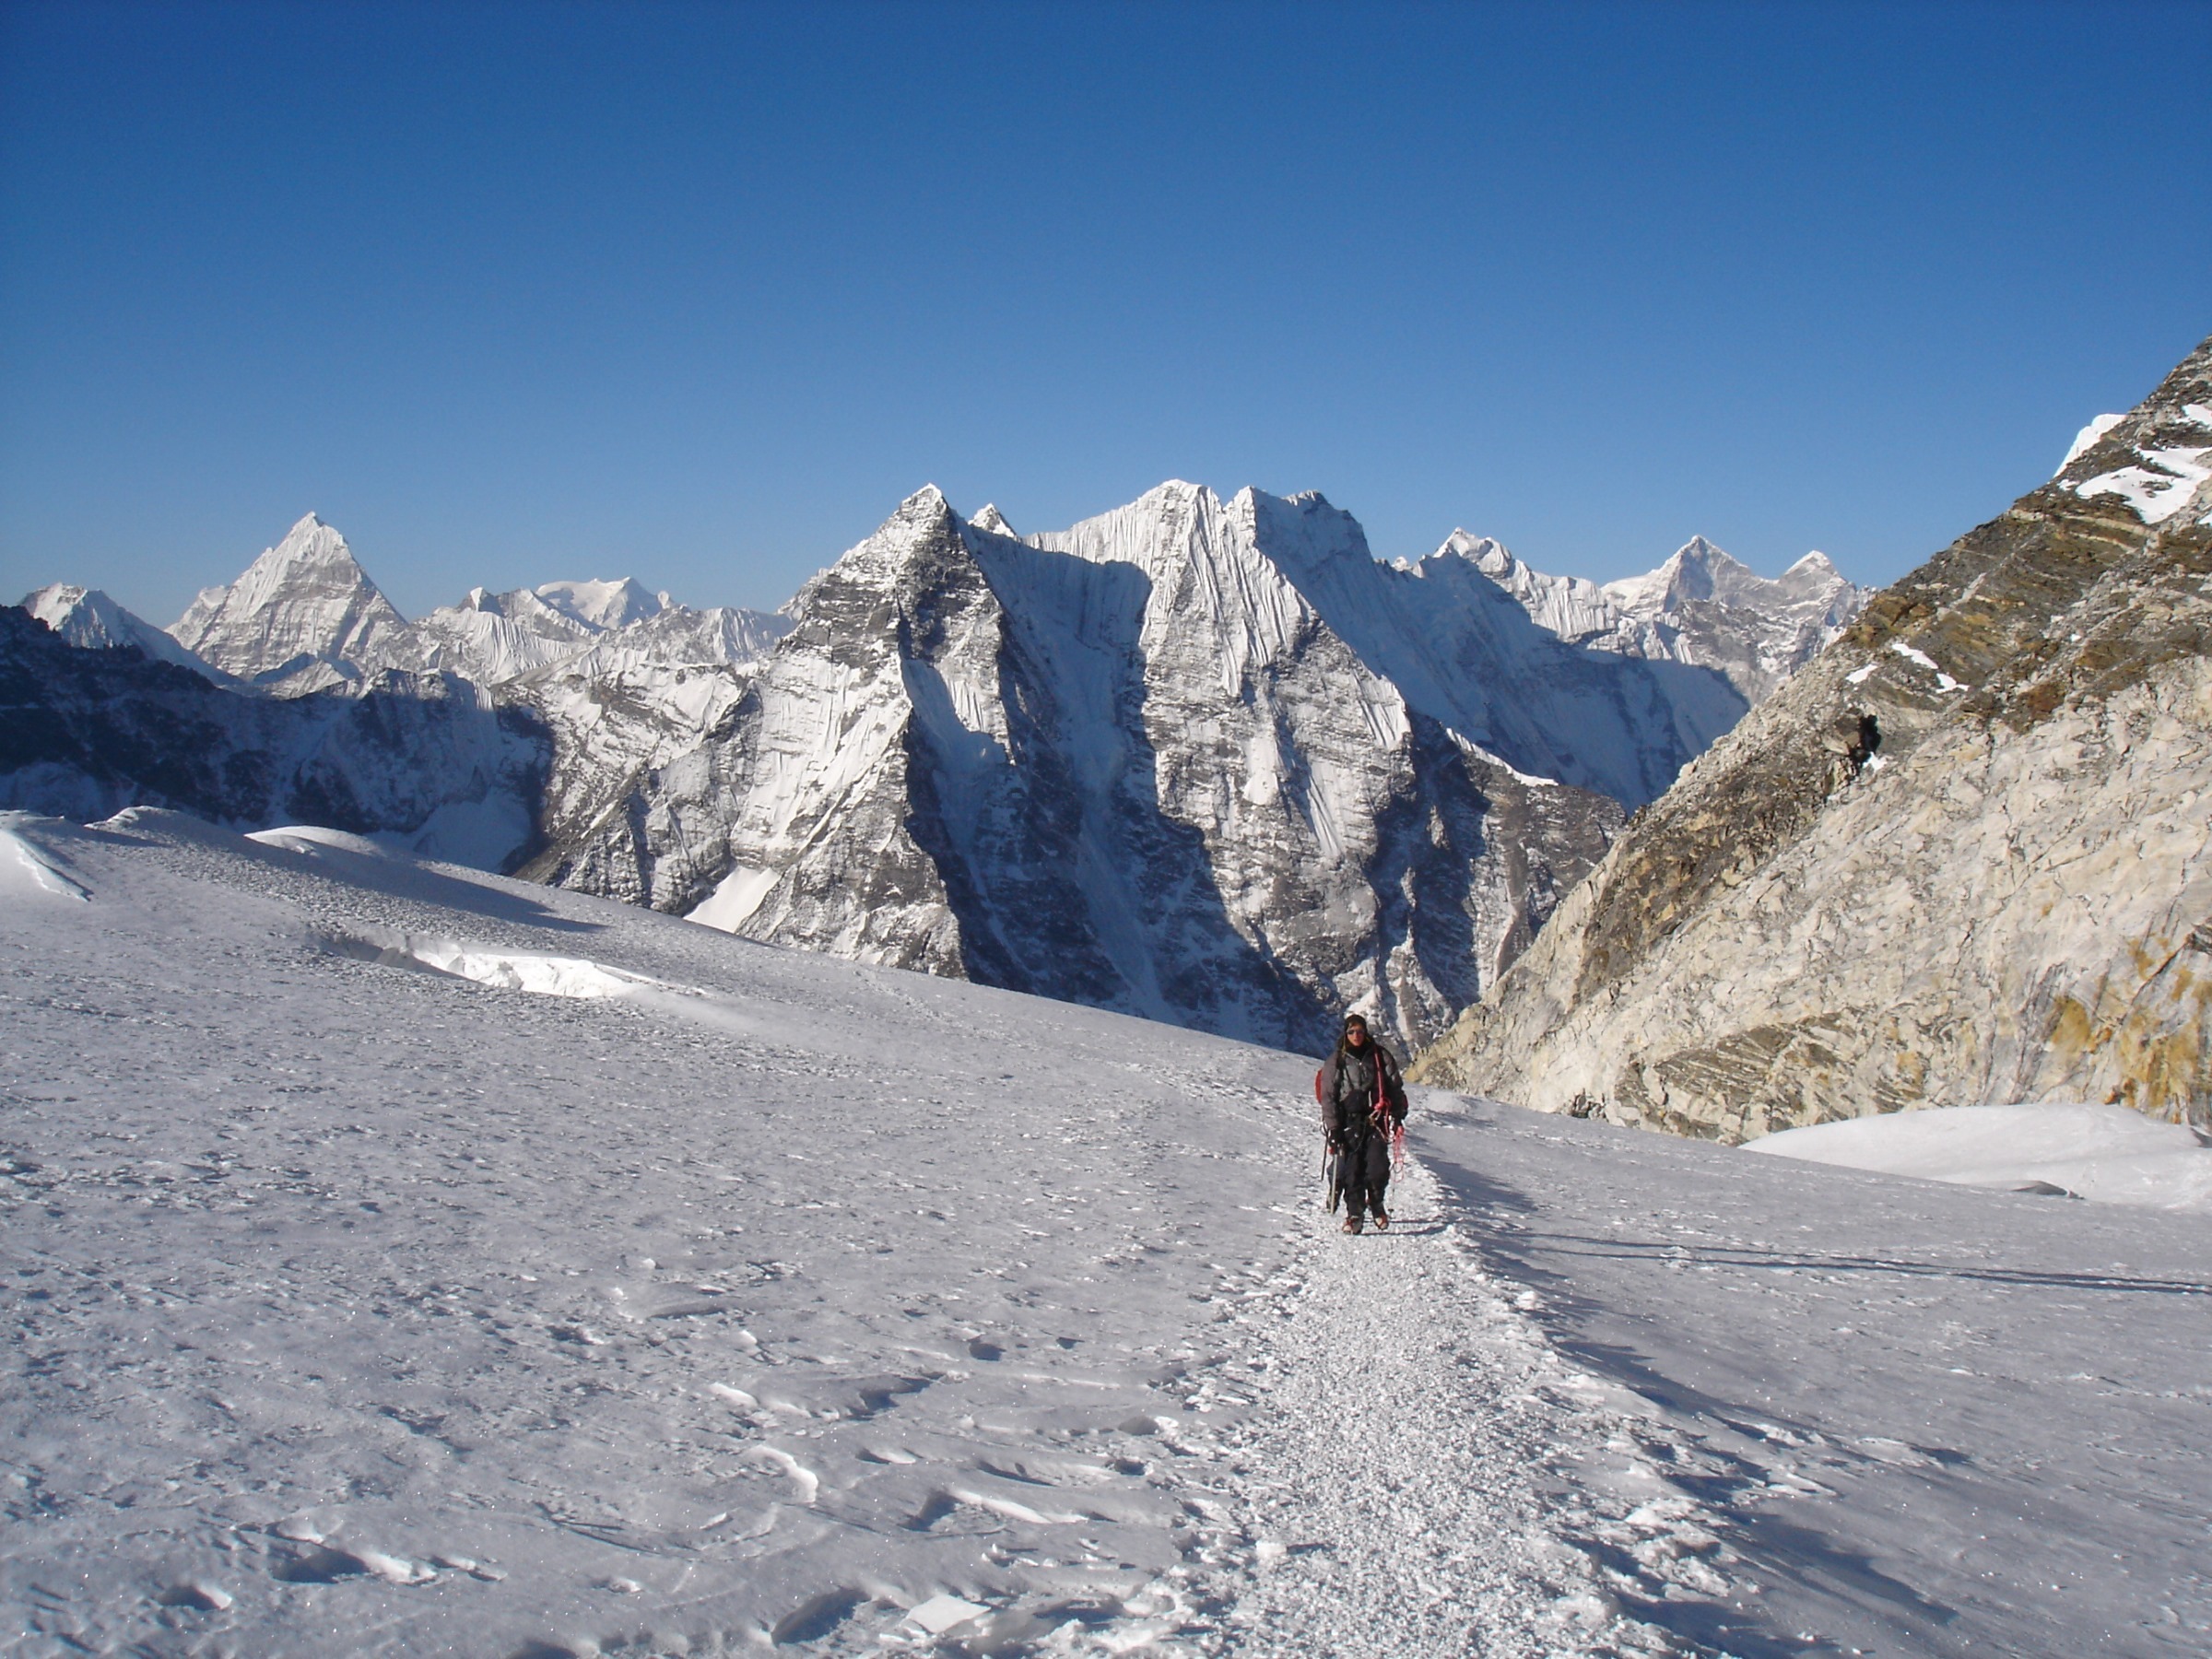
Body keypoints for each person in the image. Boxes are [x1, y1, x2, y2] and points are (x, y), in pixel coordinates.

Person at [1320, 1013, 1407, 1233]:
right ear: (1345, 1033)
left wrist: (1398, 1115)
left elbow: (1395, 1087)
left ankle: (1376, 1203)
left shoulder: (1380, 1056)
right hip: (1348, 1122)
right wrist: (1334, 1128)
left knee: (1377, 1167)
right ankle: (1355, 1214)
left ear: (1365, 1032)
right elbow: (1328, 1096)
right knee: (1353, 1169)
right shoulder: (1336, 1061)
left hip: (1376, 1120)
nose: (1356, 1035)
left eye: (1359, 1031)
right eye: (1351, 1031)